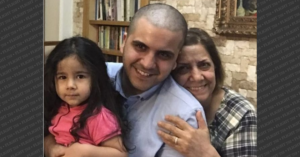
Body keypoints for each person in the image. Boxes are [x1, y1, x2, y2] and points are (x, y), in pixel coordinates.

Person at [44, 3, 206, 157]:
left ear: (175, 61)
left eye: (164, 54)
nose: (147, 64)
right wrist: (51, 147)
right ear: (124, 42)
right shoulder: (94, 75)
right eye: (140, 47)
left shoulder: (184, 115)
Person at [157, 28, 257, 157]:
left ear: (215, 67)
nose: (197, 77)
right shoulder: (163, 104)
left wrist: (204, 152)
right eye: (183, 68)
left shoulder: (241, 115)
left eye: (204, 65)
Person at [44, 36, 128, 157]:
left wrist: (85, 152)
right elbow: (53, 134)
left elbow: (121, 154)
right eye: (62, 77)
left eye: (80, 76)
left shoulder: (99, 116)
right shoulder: (59, 107)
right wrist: (50, 147)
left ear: (96, 78)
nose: (70, 85)